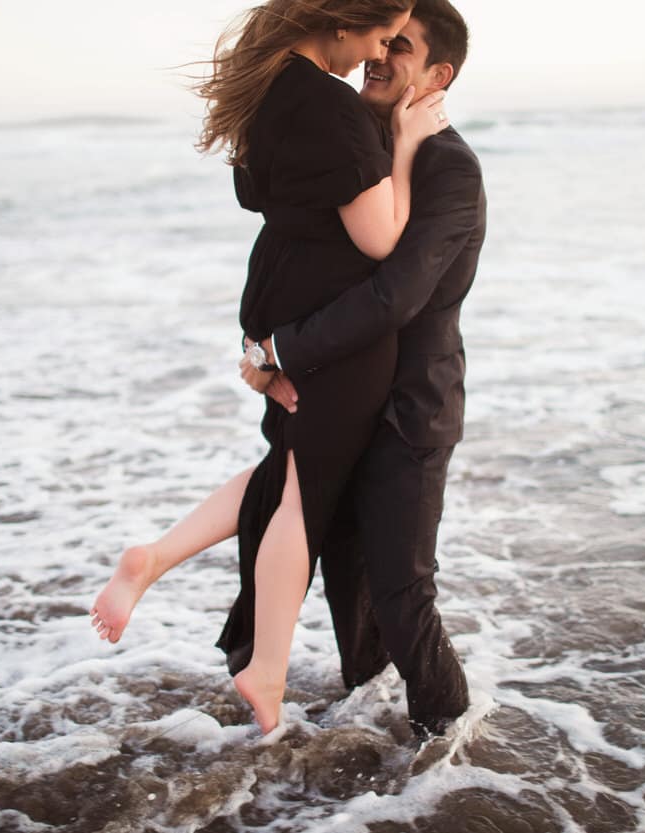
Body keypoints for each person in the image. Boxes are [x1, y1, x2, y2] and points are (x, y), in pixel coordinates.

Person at [89, 0, 449, 735]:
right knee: (304, 489)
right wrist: (407, 143)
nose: (375, 56)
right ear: (345, 22)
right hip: (327, 321)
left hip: (277, 298)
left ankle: (154, 559)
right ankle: (267, 666)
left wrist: (269, 340)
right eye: (379, 36)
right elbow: (383, 240)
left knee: (289, 466)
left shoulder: (268, 88)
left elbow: (266, 200)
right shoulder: (330, 105)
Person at [242, 0, 484, 738]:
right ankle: (370, 722)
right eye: (381, 41)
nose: (379, 57)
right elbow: (295, 248)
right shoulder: (354, 146)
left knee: (402, 586)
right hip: (342, 399)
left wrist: (282, 348)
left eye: (400, 48)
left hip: (410, 409)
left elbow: (394, 294)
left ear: (438, 74)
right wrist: (255, 341)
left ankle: (450, 745)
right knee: (344, 574)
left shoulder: (447, 166)